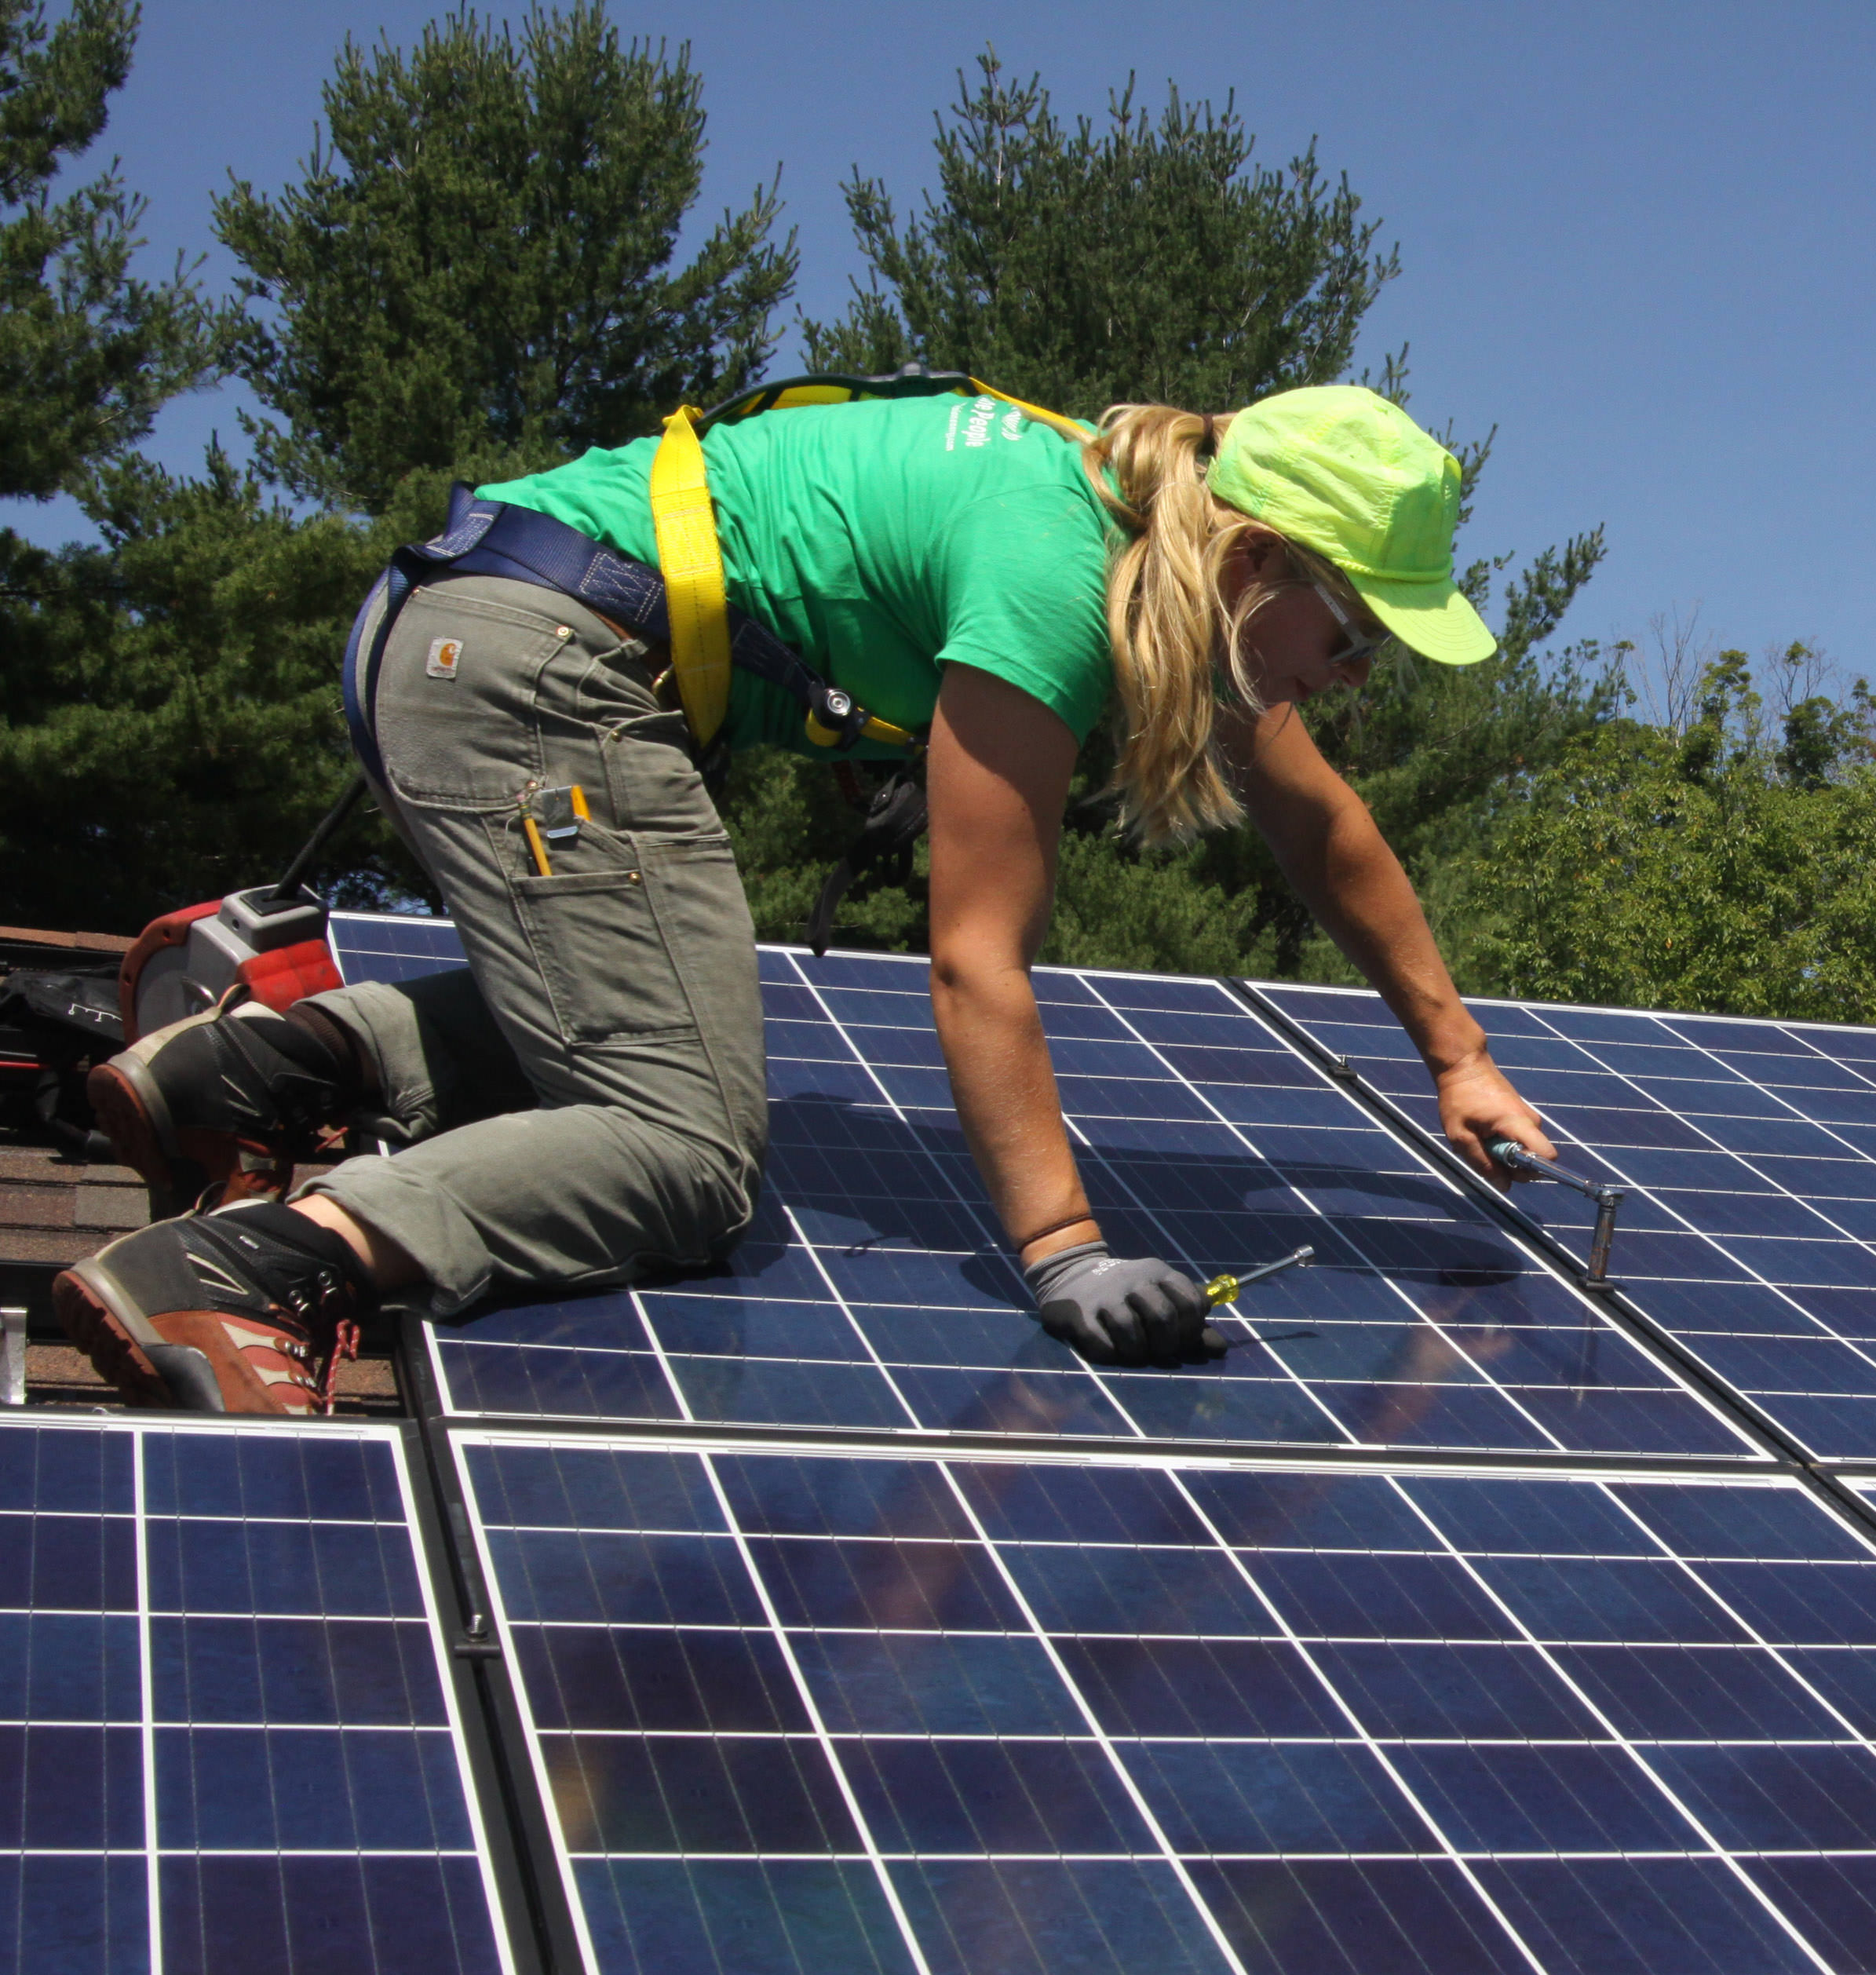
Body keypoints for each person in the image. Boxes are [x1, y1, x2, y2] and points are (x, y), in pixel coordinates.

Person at [55, 384, 1555, 1411]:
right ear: (1262, 556)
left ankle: (249, 1066)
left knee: (670, 1010)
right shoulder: (1053, 579)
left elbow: (1323, 822)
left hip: (473, 629)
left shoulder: (1134, 530)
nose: (1352, 677)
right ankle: (248, 1268)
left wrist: (1457, 1056)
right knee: (686, 1148)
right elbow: (974, 959)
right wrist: (1066, 1254)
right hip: (530, 669)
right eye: (1354, 633)